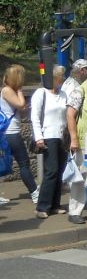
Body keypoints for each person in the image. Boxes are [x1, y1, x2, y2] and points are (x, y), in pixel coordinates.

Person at [31, 65, 68, 219]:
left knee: (60, 171)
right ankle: (42, 206)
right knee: (51, 171)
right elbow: (34, 116)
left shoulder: (63, 94)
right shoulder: (41, 93)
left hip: (61, 136)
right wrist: (39, 137)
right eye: (61, 76)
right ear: (54, 78)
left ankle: (54, 205)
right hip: (48, 135)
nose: (63, 79)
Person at [0, 64, 38, 204]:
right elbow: (21, 104)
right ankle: (34, 192)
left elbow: (18, 108)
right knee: (24, 163)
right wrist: (21, 91)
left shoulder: (8, 90)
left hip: (9, 132)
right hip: (10, 133)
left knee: (8, 163)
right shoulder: (7, 90)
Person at [65, 60, 87, 224]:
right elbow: (70, 115)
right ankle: (74, 211)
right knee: (80, 179)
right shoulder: (79, 91)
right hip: (83, 141)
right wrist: (74, 139)